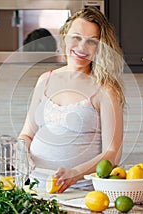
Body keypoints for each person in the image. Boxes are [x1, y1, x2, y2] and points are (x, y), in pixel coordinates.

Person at [19, 7, 125, 193]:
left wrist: (74, 173)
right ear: (65, 36)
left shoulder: (106, 89)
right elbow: (27, 134)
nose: (82, 47)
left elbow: (112, 153)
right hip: (37, 189)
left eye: (91, 41)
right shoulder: (45, 80)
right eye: (76, 37)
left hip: (83, 193)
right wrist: (22, 152)